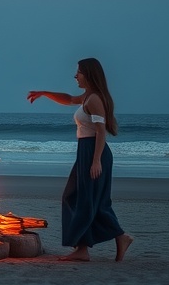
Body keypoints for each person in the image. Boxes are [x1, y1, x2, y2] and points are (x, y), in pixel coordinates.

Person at [27, 58, 133, 262]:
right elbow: (68, 99)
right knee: (80, 198)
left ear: (89, 74)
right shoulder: (87, 97)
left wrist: (96, 161)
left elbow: (101, 131)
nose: (75, 76)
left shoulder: (94, 99)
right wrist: (44, 93)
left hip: (94, 152)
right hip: (85, 151)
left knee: (86, 200)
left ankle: (91, 246)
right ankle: (115, 238)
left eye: (79, 73)